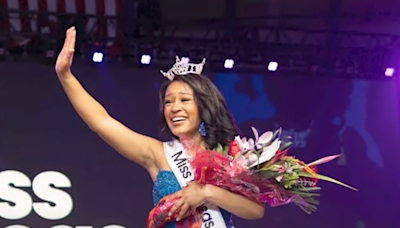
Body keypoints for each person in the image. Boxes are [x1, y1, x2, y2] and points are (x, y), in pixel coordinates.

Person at [55, 26, 264, 228]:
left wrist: (206, 192)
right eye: (168, 102)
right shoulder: (158, 153)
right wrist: (65, 76)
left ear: (203, 106)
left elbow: (256, 210)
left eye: (184, 100)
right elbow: (102, 122)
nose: (174, 108)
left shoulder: (229, 155)